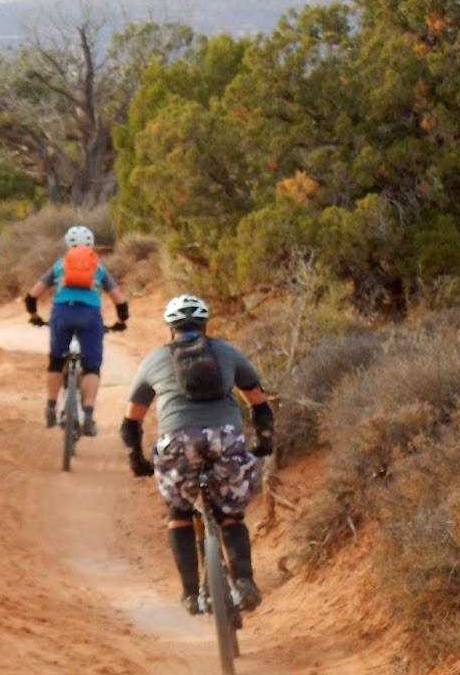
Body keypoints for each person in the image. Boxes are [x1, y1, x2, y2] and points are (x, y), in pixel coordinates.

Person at [118, 293, 273, 614]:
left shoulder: (155, 359)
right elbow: (258, 401)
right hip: (226, 439)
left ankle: (190, 593)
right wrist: (264, 442)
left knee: (178, 513)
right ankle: (244, 580)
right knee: (231, 514)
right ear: (204, 324)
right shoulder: (227, 352)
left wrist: (138, 461)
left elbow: (131, 420)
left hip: (177, 443)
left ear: (170, 328)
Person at [23, 225, 130, 437]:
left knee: (55, 361)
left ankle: (51, 408)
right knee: (92, 367)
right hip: (90, 316)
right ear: (91, 245)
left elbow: (32, 296)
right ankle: (88, 417)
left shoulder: (59, 265)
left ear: (67, 244)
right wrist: (120, 321)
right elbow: (119, 300)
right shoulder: (98, 268)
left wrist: (35, 316)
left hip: (62, 314)